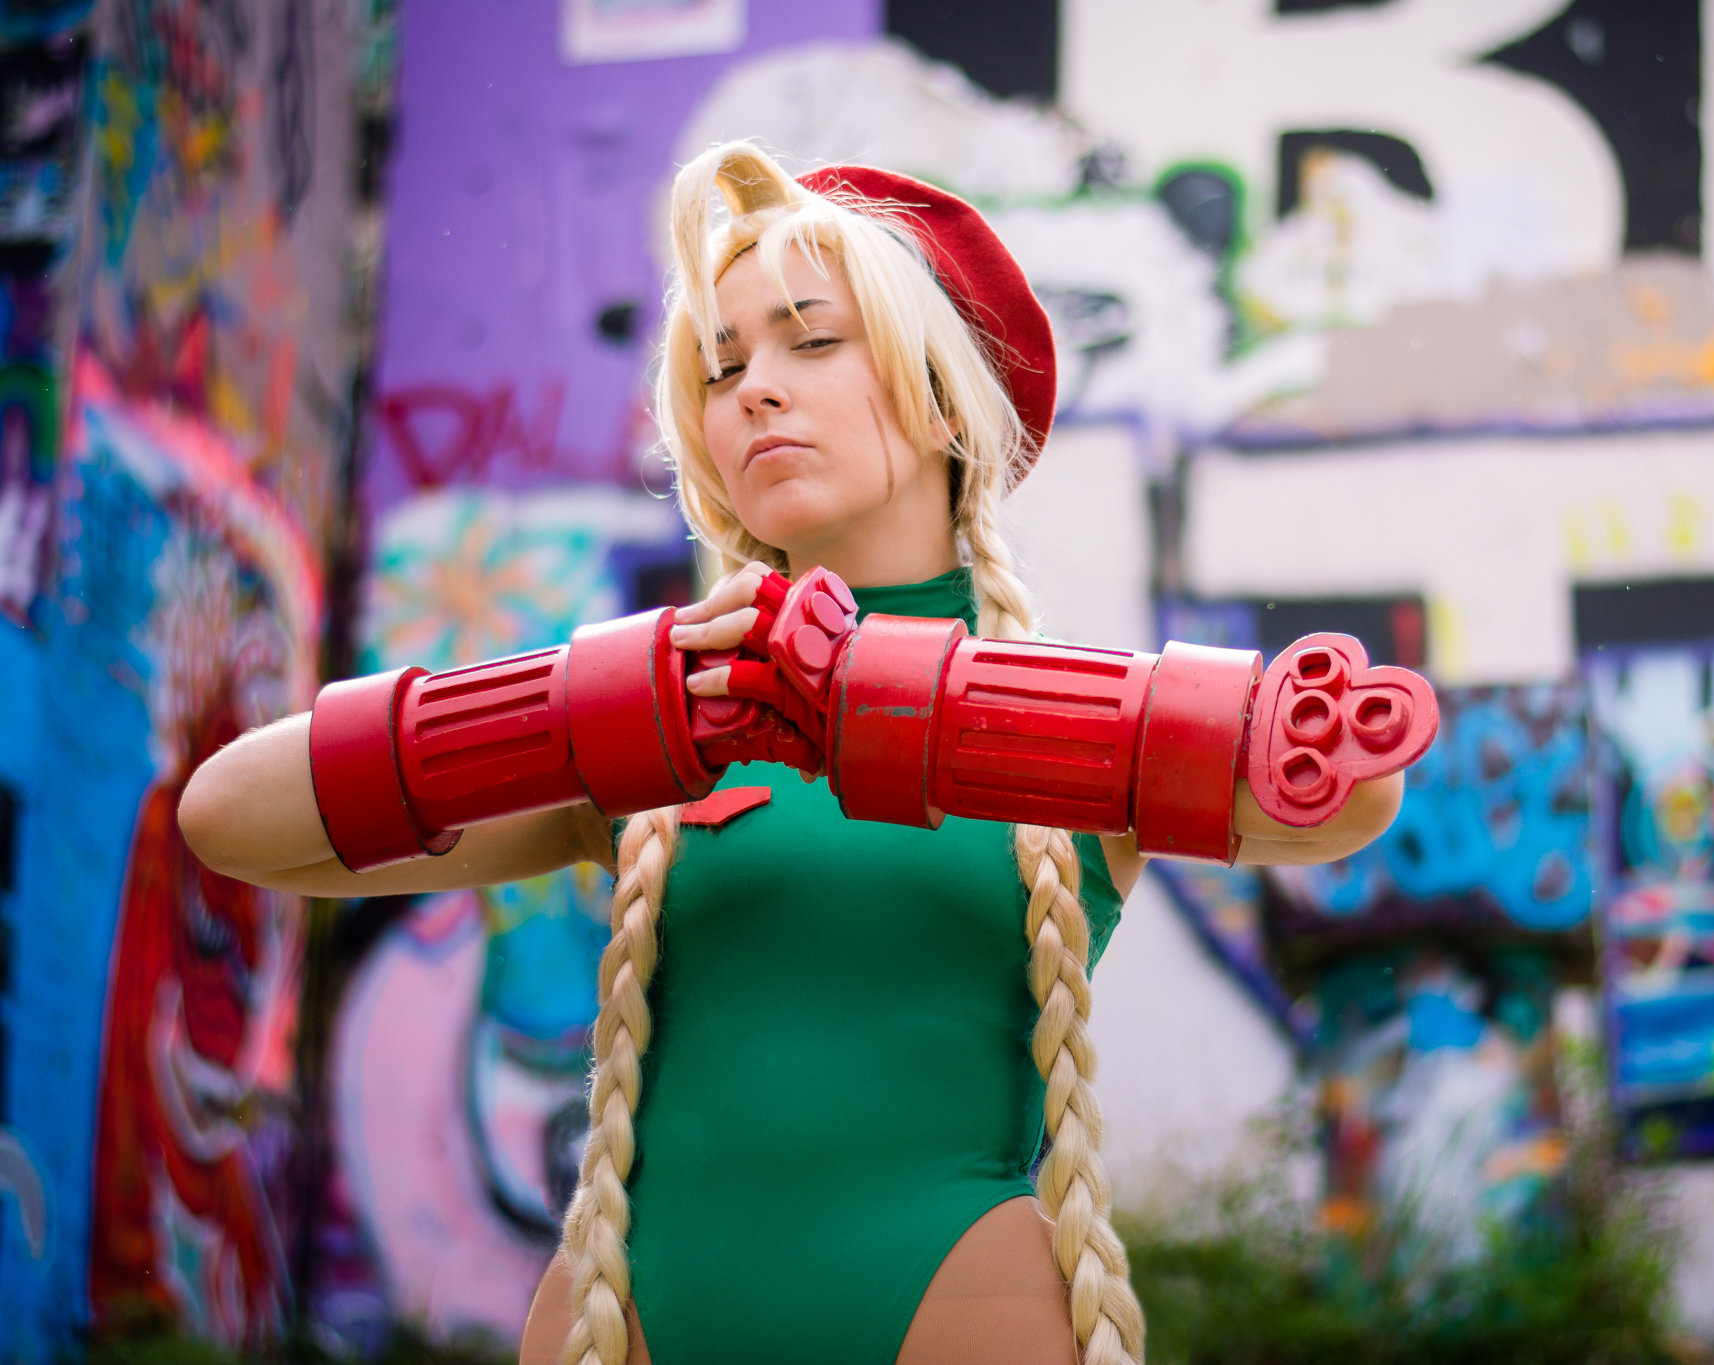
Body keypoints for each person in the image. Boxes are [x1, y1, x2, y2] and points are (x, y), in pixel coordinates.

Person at [179, 143, 1410, 1365]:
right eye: (722, 368)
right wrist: (599, 709)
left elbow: (1345, 785)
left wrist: (896, 702)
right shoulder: (653, 723)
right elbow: (228, 815)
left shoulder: (1066, 728)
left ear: (942, 397)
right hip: (624, 1314)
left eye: (811, 342)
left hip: (960, 1309)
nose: (754, 391)